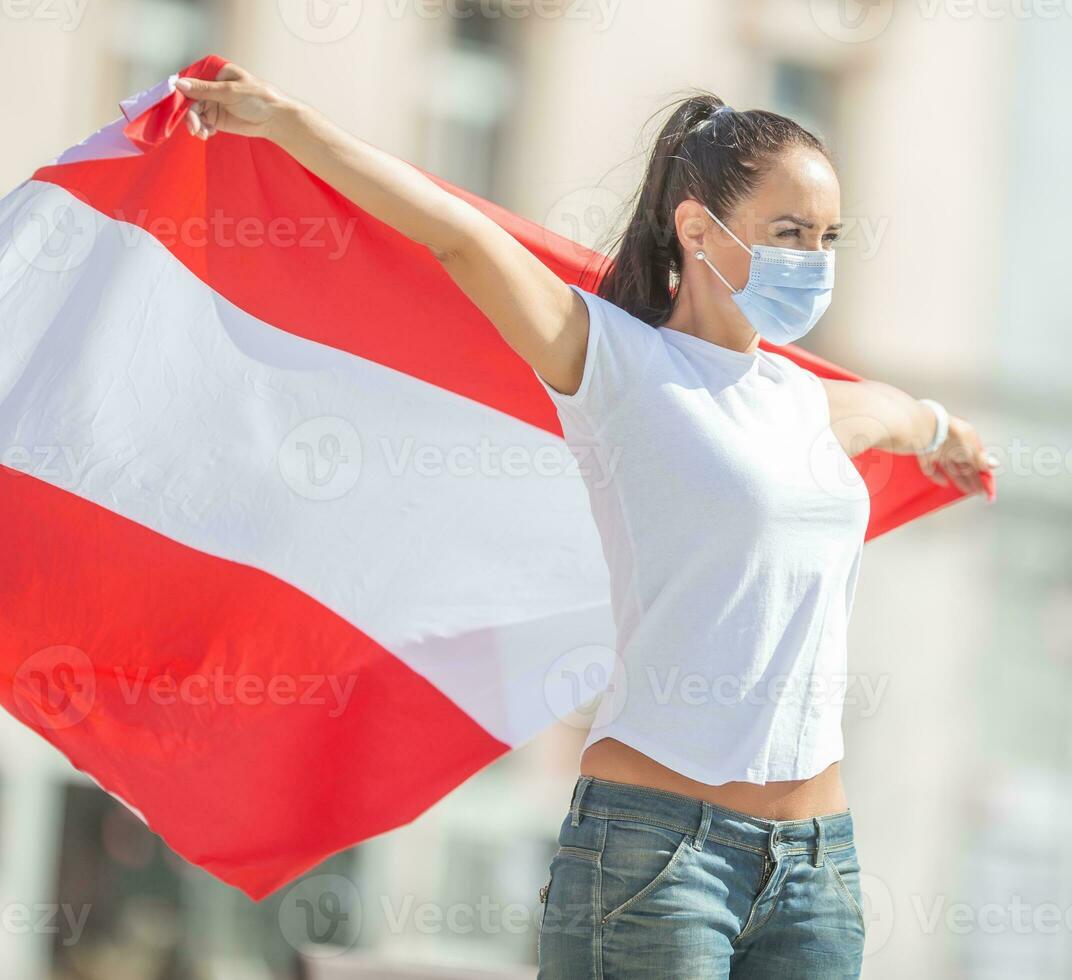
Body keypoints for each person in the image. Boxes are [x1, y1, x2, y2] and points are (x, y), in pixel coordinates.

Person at [176, 64, 993, 979]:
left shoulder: (807, 403)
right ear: (697, 229)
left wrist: (944, 431)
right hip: (659, 861)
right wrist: (287, 122)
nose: (815, 259)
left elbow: (886, 412)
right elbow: (457, 238)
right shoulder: (616, 366)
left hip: (817, 871)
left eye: (829, 237)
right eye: (791, 232)